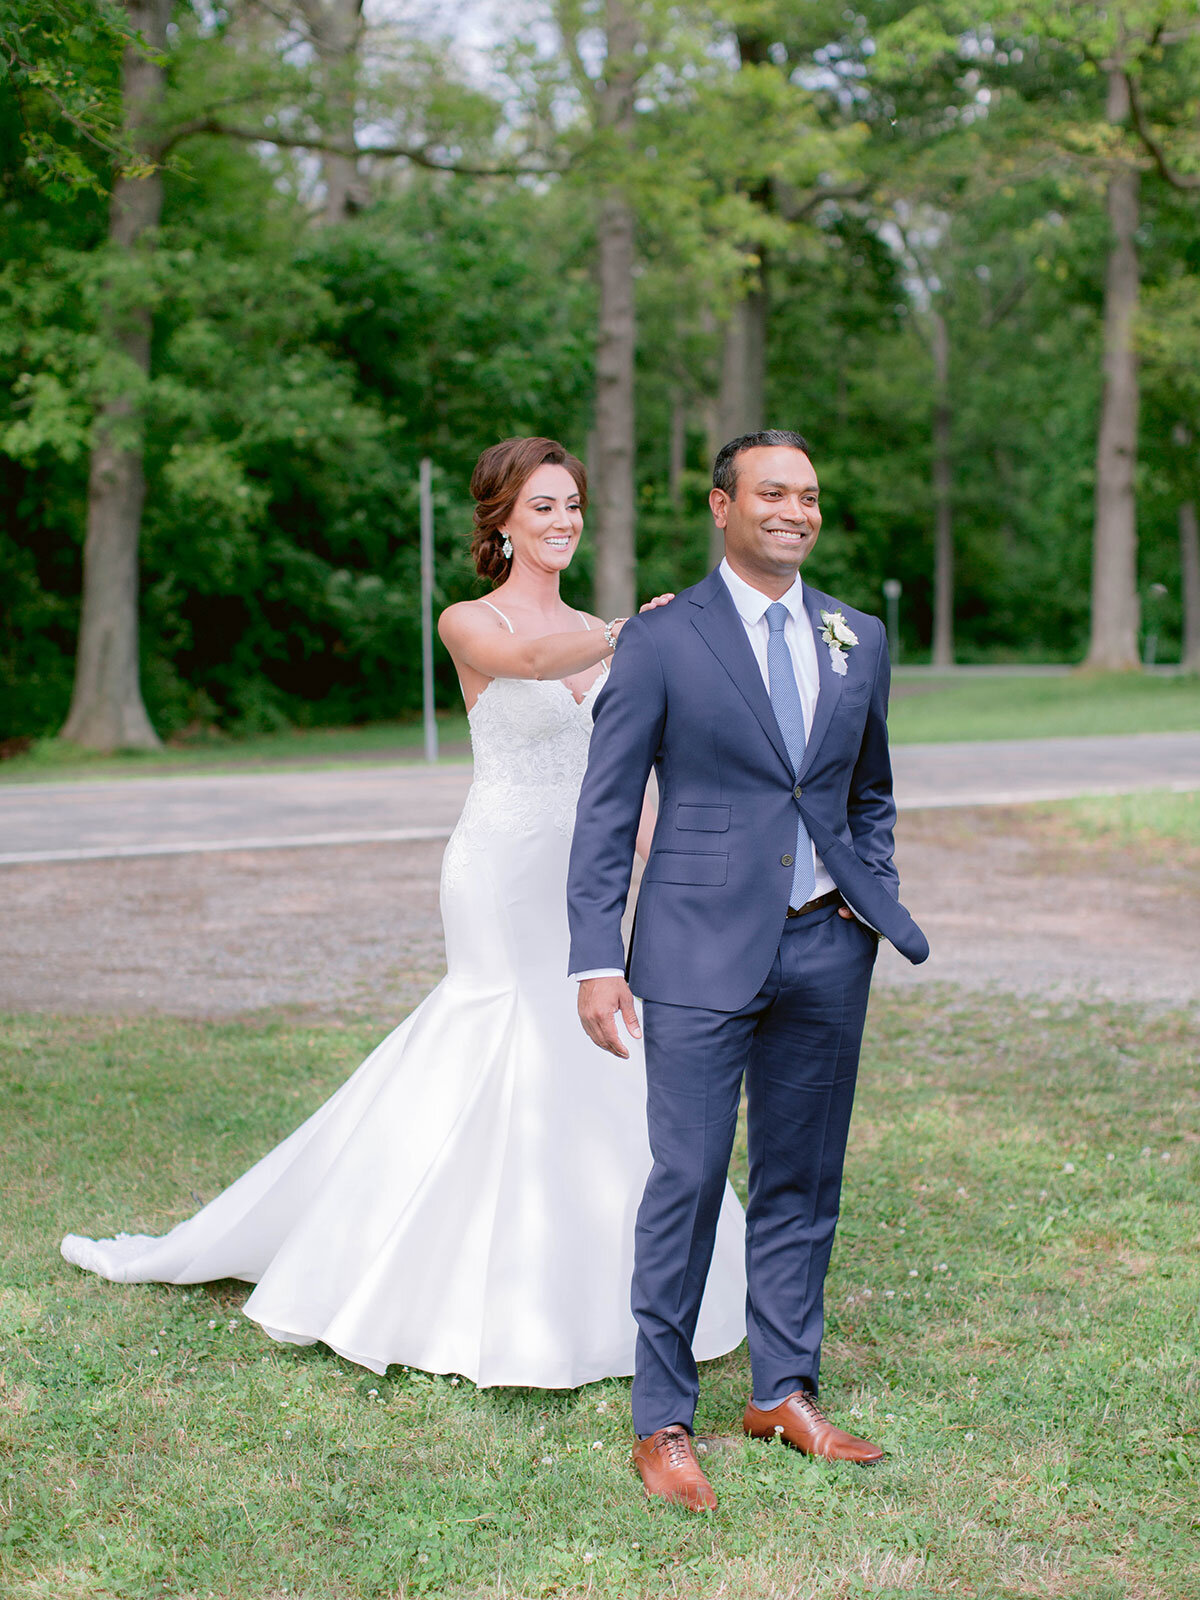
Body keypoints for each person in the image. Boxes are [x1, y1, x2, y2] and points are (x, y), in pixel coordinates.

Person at [61, 436, 746, 1389]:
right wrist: (641, 628)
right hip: (499, 870)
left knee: (593, 1048)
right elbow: (529, 657)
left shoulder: (595, 626)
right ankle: (413, 1269)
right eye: (542, 507)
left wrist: (667, 864)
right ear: (501, 520)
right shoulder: (471, 621)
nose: (562, 522)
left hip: (577, 877)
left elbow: (616, 774)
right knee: (496, 1031)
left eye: (573, 506)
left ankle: (608, 1288)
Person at [567, 429, 929, 1509]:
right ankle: (663, 1419)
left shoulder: (856, 634)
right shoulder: (665, 639)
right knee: (686, 1180)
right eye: (773, 491)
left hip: (827, 945)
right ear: (723, 504)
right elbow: (605, 803)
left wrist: (868, 891)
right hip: (692, 950)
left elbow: (868, 788)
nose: (796, 510)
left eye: (810, 495)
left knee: (801, 1180)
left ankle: (782, 1391)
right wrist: (597, 953)